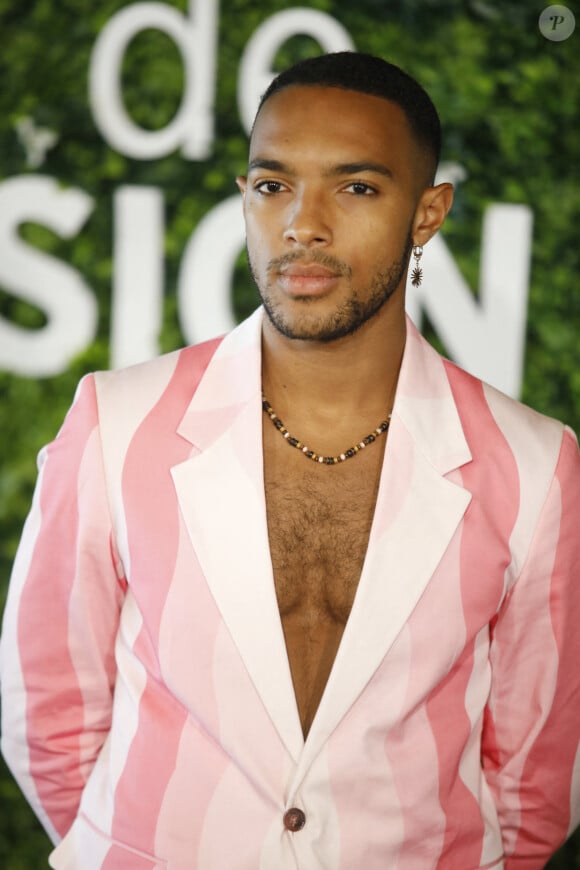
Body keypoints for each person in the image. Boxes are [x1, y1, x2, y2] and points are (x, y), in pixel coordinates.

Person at [1, 51, 579, 870]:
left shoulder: (537, 466)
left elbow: (535, 776)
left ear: (428, 212)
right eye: (274, 185)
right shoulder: (116, 421)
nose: (303, 223)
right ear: (245, 197)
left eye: (356, 187)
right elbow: (47, 711)